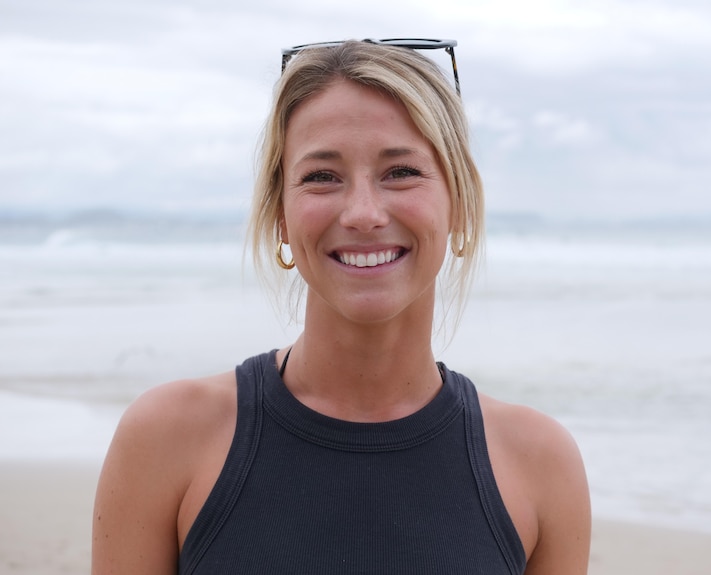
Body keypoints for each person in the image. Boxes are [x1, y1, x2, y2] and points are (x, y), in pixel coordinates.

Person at [92, 38, 590, 574]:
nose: (363, 213)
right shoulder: (168, 438)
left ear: (460, 204)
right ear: (280, 216)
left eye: (401, 171)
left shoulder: (538, 464)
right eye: (322, 177)